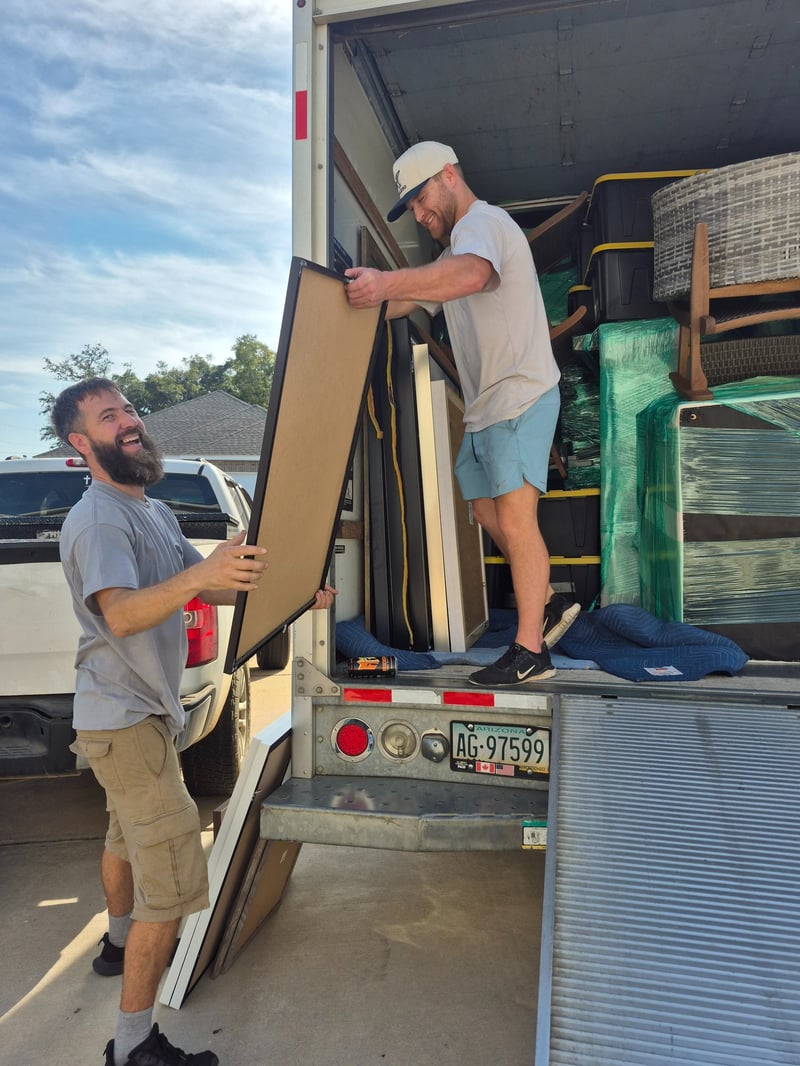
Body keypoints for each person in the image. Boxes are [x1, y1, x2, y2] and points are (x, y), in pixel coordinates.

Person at [52, 378, 335, 1066]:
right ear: (80, 444)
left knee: (126, 836)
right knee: (175, 879)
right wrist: (200, 572)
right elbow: (120, 612)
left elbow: (204, 583)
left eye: (129, 410)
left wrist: (288, 584)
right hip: (123, 720)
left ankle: (118, 945)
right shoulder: (98, 520)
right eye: (109, 415)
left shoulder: (148, 510)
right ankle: (132, 1046)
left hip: (139, 713)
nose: (129, 422)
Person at [345, 141, 579, 687]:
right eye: (412, 209)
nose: (421, 215)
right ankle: (543, 599)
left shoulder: (482, 225)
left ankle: (530, 651)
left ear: (449, 175)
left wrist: (387, 282)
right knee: (483, 511)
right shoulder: (451, 256)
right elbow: (413, 300)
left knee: (517, 521)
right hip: (484, 408)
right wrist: (361, 295)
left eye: (422, 199)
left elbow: (472, 276)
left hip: (519, 393)